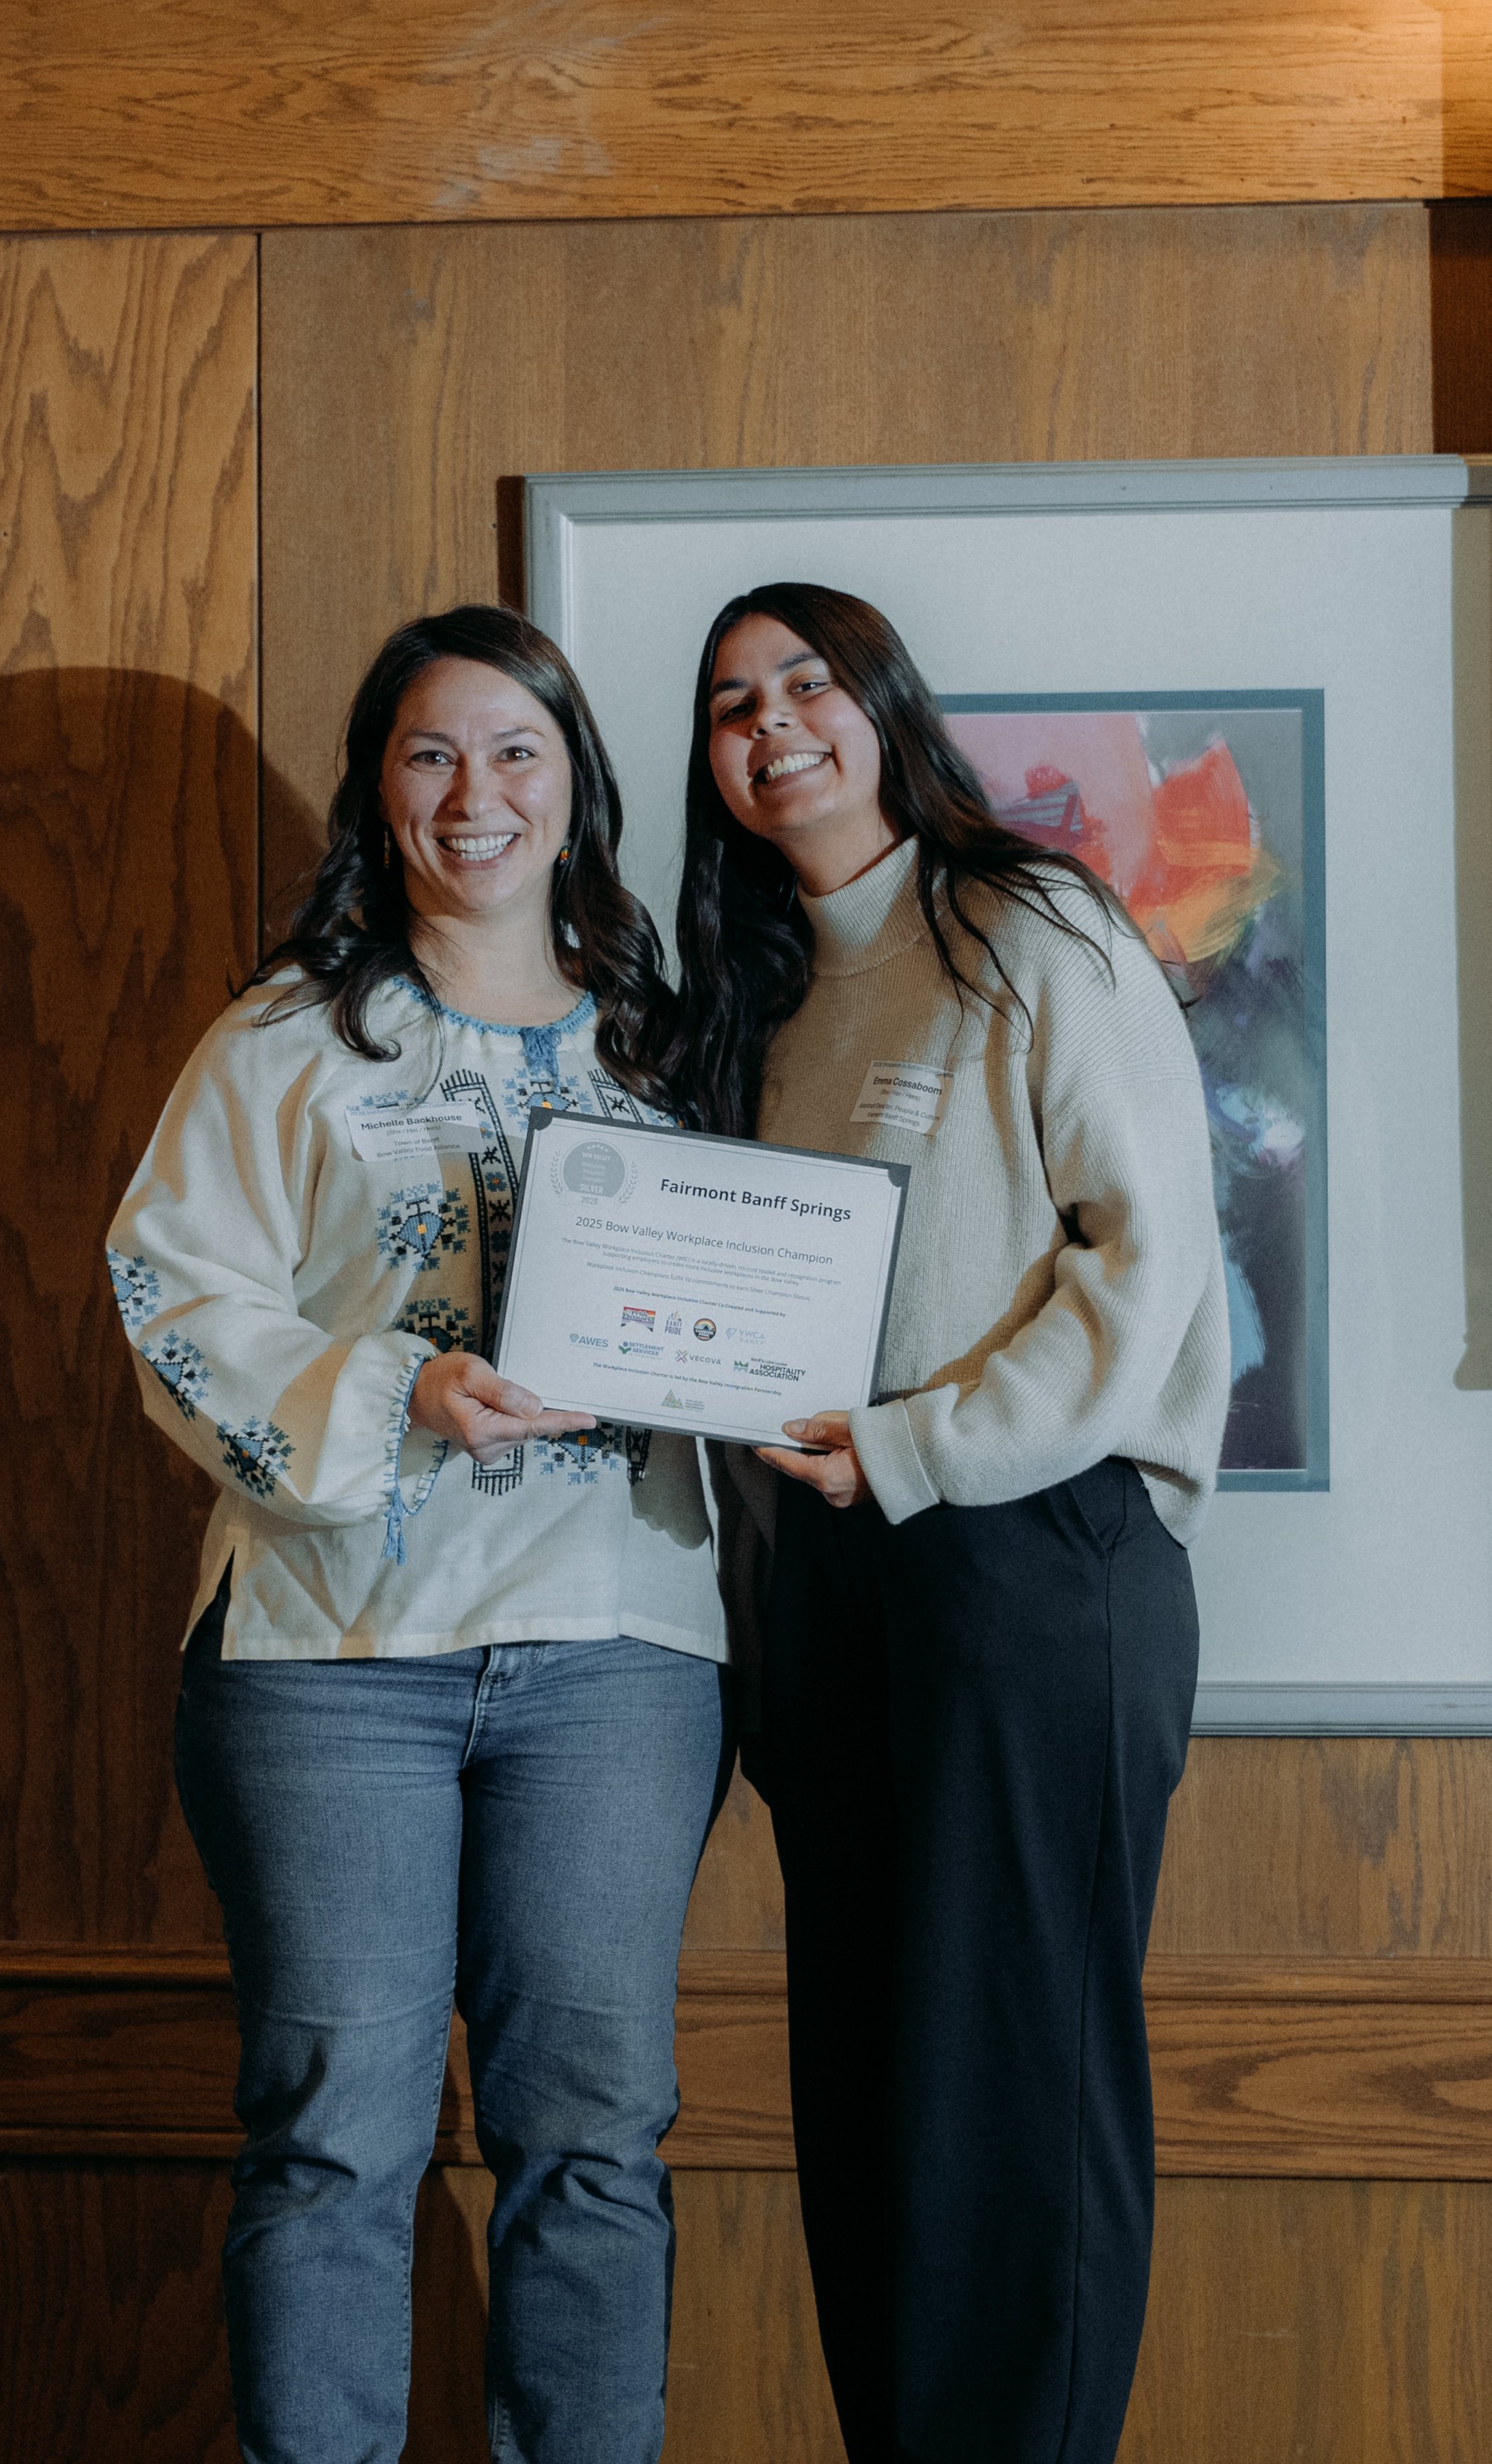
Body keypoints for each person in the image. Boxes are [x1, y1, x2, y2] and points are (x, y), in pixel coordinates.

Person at [106, 604, 732, 2464]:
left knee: (596, 2138)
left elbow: (766, 1293)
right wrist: (402, 1391)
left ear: (576, 784)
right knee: (329, 2139)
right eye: (431, 753)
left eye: (515, 749)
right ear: (379, 794)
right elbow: (167, 1294)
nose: (476, 791)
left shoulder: (673, 1041)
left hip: (616, 1653)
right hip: (325, 1664)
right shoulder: (285, 1038)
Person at [665, 582, 1231, 2464]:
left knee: (1011, 2102)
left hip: (1024, 1565)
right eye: (731, 705)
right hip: (828, 1591)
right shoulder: (758, 992)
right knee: (877, 2107)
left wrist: (915, 1452)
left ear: (881, 704)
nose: (772, 728)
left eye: (804, 683)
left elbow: (1139, 1272)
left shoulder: (1027, 925)